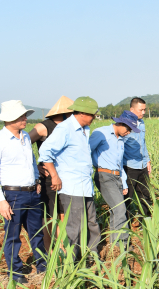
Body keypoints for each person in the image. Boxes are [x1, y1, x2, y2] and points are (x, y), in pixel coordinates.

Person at [0, 100, 46, 284]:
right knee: (13, 235)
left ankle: (42, 266)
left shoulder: (26, 136)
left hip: (32, 193)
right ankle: (16, 272)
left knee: (37, 232)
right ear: (9, 119)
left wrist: (36, 180)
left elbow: (31, 162)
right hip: (13, 195)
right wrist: (1, 200)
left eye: (24, 115)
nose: (25, 118)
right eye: (21, 116)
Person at [39, 96, 101, 260]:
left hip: (85, 185)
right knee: (74, 227)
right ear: (81, 113)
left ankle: (91, 255)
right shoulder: (64, 129)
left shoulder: (84, 130)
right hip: (72, 186)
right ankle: (72, 262)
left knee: (91, 222)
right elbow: (45, 152)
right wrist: (54, 176)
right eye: (92, 115)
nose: (94, 118)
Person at [89, 111, 139, 248]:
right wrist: (95, 166)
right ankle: (122, 245)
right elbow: (87, 151)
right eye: (128, 129)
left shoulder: (121, 140)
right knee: (119, 209)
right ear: (120, 123)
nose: (129, 132)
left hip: (116, 176)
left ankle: (115, 244)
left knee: (114, 210)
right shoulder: (101, 133)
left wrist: (123, 182)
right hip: (104, 175)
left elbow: (119, 162)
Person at [29, 95, 73, 249]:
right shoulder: (44, 127)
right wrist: (36, 166)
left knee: (63, 212)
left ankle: (64, 247)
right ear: (64, 113)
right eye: (72, 113)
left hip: (66, 176)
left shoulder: (69, 127)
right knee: (50, 215)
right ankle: (52, 250)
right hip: (49, 178)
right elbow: (23, 147)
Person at [123, 97, 152, 217]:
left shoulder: (142, 123)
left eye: (145, 110)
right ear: (132, 109)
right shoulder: (124, 123)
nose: (143, 112)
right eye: (141, 110)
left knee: (145, 194)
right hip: (129, 166)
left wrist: (147, 160)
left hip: (142, 164)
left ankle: (145, 222)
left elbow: (143, 143)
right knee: (127, 196)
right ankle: (126, 224)